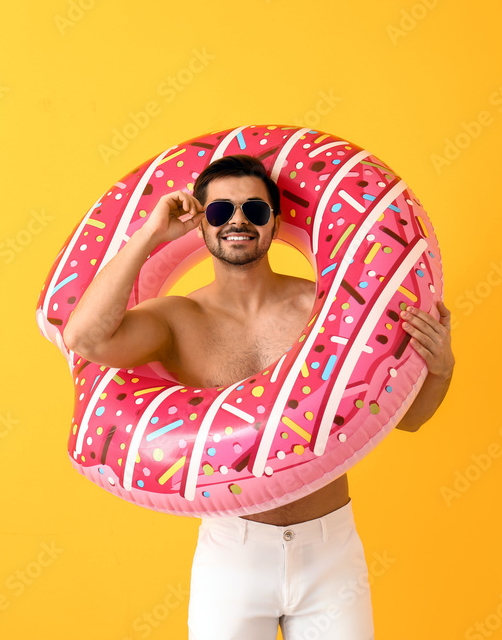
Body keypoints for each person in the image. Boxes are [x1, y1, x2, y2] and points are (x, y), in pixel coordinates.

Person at [63, 155, 455, 639]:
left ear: (276, 221)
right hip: (233, 551)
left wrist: (440, 370)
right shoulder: (177, 320)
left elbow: (409, 419)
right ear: (199, 224)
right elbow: (85, 339)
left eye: (255, 209)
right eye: (220, 211)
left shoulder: (325, 310)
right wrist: (150, 234)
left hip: (329, 548)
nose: (238, 221)